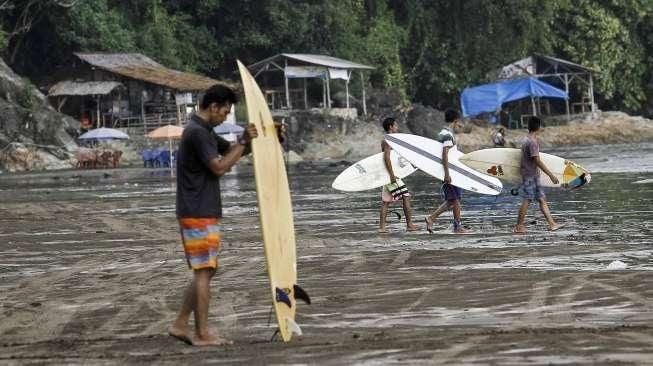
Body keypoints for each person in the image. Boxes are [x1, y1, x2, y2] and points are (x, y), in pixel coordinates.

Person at [169, 84, 258, 347]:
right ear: (213, 107)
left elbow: (233, 151)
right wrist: (242, 142)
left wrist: (256, 138)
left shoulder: (204, 130)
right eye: (225, 112)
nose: (225, 116)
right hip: (197, 211)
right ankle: (202, 333)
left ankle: (181, 323)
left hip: (200, 209)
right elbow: (219, 166)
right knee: (204, 270)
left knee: (206, 269)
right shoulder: (197, 133)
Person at [513, 116, 564, 234]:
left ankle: (552, 224)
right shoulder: (532, 142)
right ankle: (519, 226)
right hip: (530, 176)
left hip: (532, 174)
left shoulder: (526, 139)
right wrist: (551, 175)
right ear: (538, 127)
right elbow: (537, 160)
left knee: (541, 199)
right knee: (528, 199)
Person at [424, 109, 467, 234]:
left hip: (447, 170)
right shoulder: (447, 135)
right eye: (458, 122)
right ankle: (455, 226)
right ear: (455, 121)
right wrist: (447, 174)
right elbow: (445, 154)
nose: (459, 125)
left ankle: (435, 219)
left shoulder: (442, 133)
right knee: (455, 199)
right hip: (449, 172)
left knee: (452, 199)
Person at [379, 117, 419, 233]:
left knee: (386, 201)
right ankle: (409, 225)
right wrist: (392, 175)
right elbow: (386, 158)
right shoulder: (388, 140)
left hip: (387, 174)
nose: (397, 127)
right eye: (395, 125)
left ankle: (381, 228)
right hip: (391, 175)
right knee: (406, 196)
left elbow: (396, 158)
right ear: (390, 127)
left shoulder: (389, 139)